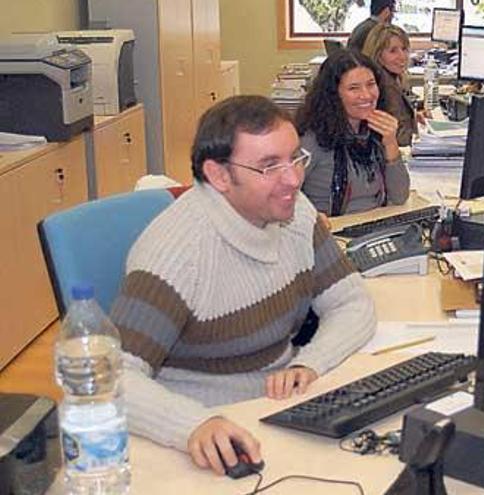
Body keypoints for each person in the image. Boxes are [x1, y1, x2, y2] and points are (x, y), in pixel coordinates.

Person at [109, 95, 376, 475]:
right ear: (219, 175)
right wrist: (191, 425)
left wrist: (312, 362)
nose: (293, 179)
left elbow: (352, 303)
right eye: (269, 166)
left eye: (294, 158)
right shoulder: (177, 254)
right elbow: (111, 376)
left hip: (280, 407)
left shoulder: (293, 210)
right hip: (213, 430)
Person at [296, 49, 410, 216]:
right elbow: (278, 194)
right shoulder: (311, 140)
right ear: (334, 94)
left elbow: (399, 197)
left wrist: (391, 143)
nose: (366, 95)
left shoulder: (374, 131)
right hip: (333, 231)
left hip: (374, 225)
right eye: (353, 88)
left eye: (371, 84)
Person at [362, 23, 418, 146]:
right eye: (393, 51)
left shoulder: (385, 77)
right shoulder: (385, 85)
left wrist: (414, 118)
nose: (402, 57)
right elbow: (400, 137)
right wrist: (424, 134)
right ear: (378, 55)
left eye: (404, 49)